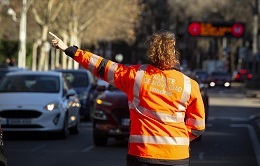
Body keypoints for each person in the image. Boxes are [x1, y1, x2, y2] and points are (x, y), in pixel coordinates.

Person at [50, 30, 205, 166]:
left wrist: (70, 50)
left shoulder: (136, 76)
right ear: (175, 54)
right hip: (176, 156)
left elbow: (102, 66)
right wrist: (178, 139)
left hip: (142, 154)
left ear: (151, 51)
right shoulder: (189, 85)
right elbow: (198, 126)